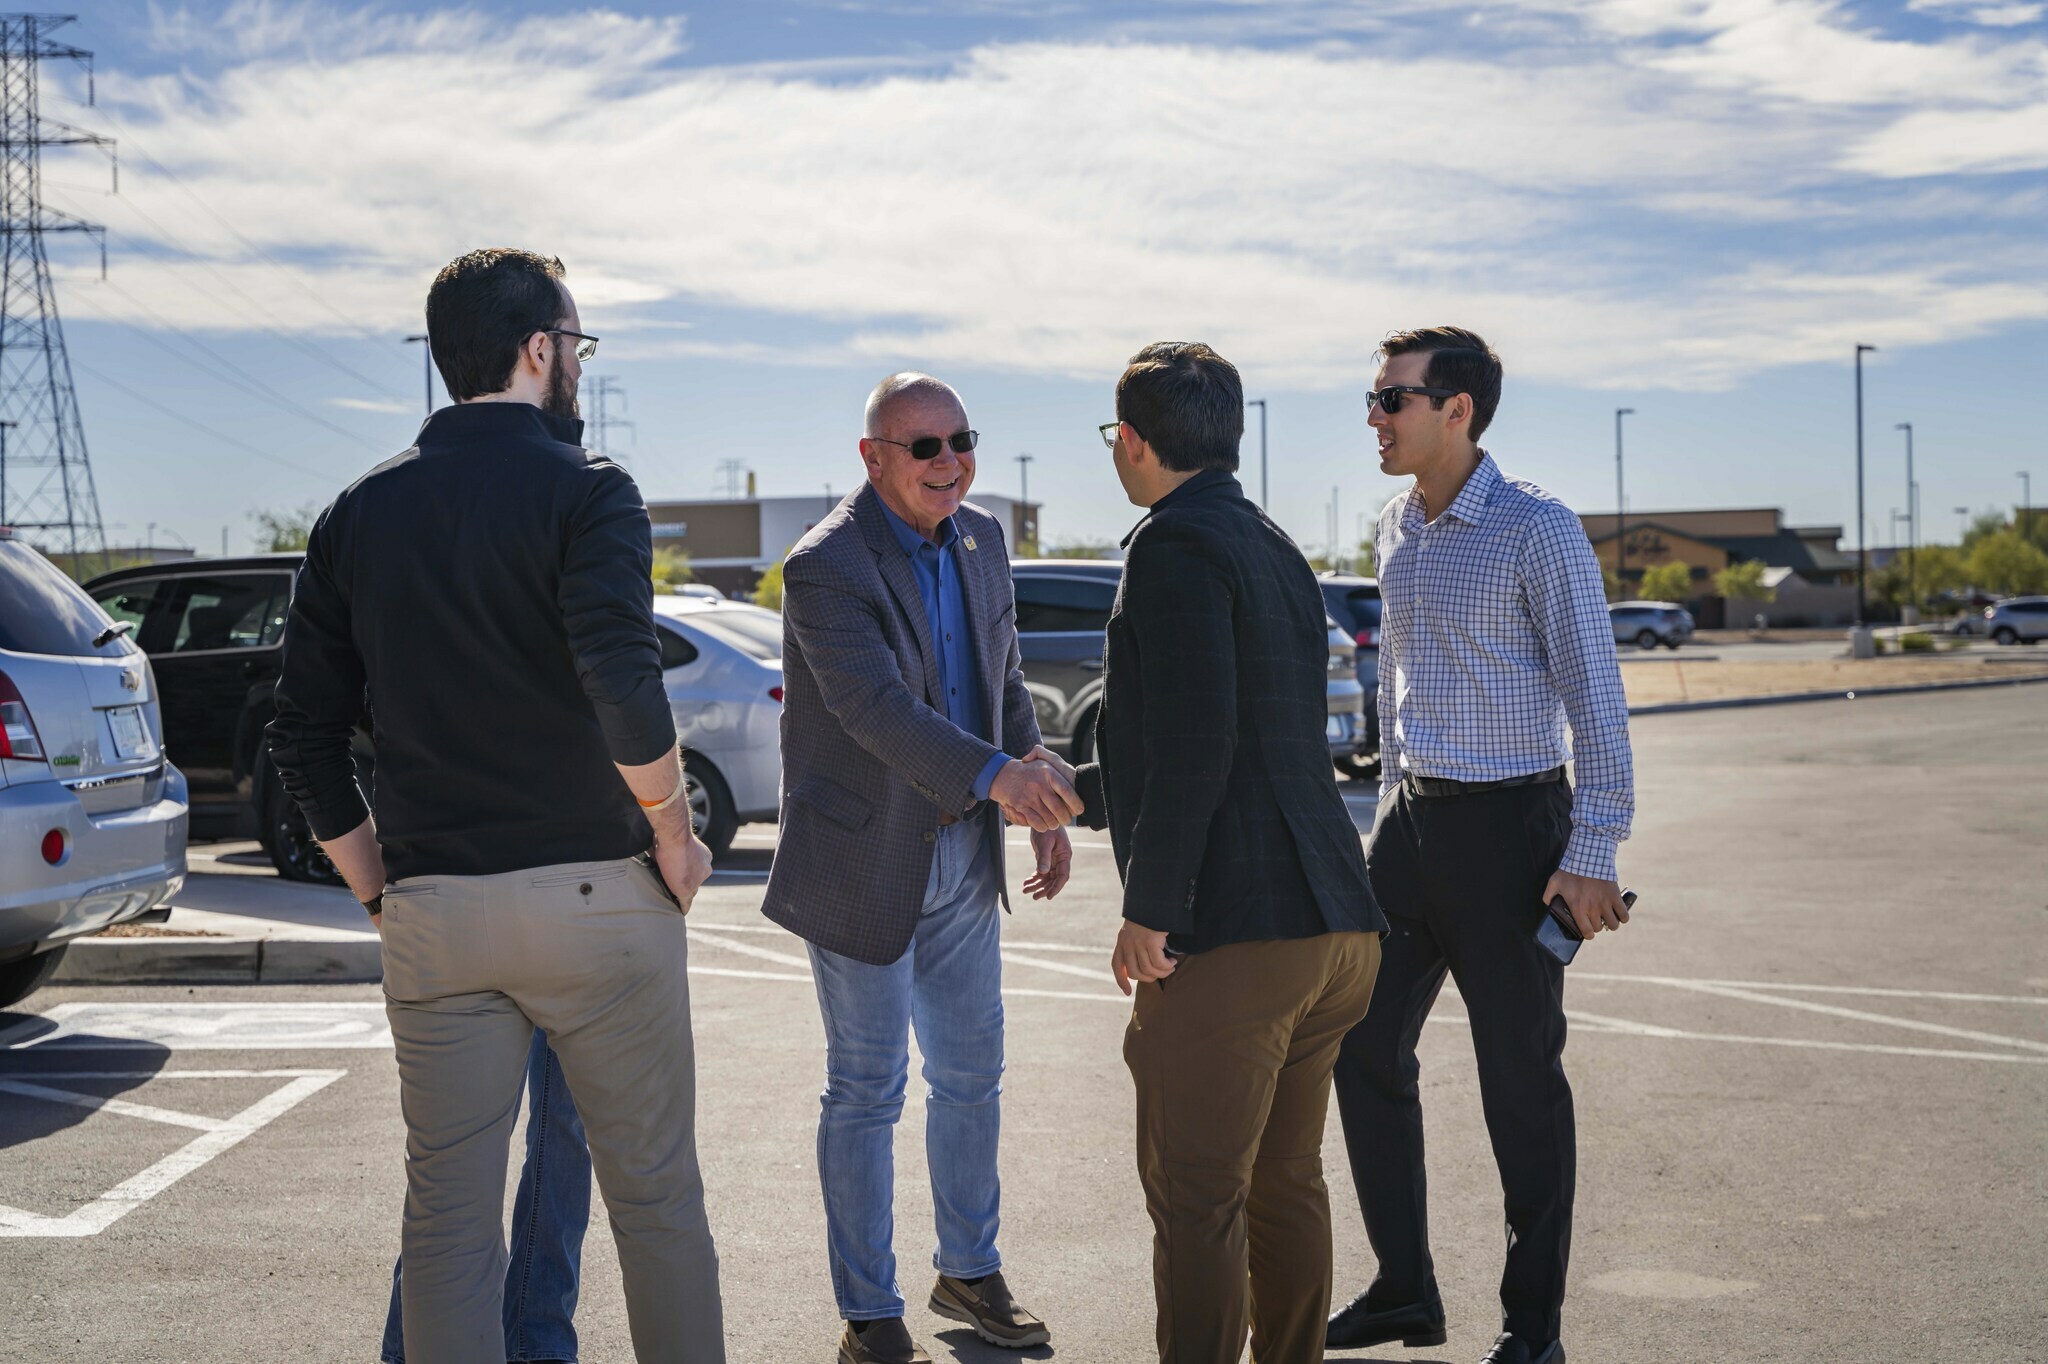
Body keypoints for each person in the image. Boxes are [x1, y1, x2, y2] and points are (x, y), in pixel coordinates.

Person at [267, 247, 725, 1364]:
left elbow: (303, 735)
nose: (575, 362)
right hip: (597, 900)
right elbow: (621, 677)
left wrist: (379, 886)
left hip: (434, 911)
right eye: (574, 342)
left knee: (446, 1226)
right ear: (538, 351)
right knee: (655, 1203)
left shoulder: (355, 514)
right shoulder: (591, 491)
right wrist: (674, 831)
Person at [1057, 341, 1387, 1364]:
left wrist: (1148, 908)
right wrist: (1085, 791)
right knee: (1284, 1182)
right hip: (1333, 920)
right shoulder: (1271, 542)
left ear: (1135, 440)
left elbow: (1198, 741)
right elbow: (1242, 731)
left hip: (1240, 931)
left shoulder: (1172, 545)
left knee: (1198, 1197)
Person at [1327, 327, 1635, 1364]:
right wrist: (1382, 811)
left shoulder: (1535, 527)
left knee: (1517, 1078)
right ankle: (1404, 1287)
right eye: (1371, 400)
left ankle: (1530, 1324)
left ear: (1454, 409)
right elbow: (1392, 687)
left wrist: (1590, 847)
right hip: (1410, 826)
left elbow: (1596, 698)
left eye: (1389, 401)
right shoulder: (1394, 525)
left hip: (1513, 830)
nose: (1372, 418)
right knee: (1359, 1044)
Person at [764, 372, 1076, 1364]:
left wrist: (1033, 795)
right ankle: (868, 1310)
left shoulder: (982, 540)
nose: (950, 462)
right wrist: (1000, 779)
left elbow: (1004, 673)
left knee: (972, 1074)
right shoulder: (825, 567)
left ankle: (968, 1268)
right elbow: (872, 708)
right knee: (865, 1085)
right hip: (863, 853)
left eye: (960, 440)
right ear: (872, 457)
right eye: (925, 446)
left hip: (963, 849)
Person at [378, 1033, 589, 1364]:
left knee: (564, 1123)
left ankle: (539, 1340)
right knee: (466, 1132)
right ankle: (414, 1339)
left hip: (584, 980)